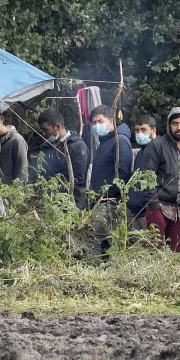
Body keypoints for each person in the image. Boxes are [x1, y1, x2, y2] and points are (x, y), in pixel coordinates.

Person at [142, 108, 180, 252]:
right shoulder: (156, 145)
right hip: (160, 206)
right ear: (169, 125)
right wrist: (154, 206)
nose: (179, 127)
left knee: (176, 253)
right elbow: (147, 176)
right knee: (153, 251)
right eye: (175, 123)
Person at [88, 105, 133, 259]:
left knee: (96, 240)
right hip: (99, 201)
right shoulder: (105, 141)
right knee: (99, 241)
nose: (96, 126)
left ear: (112, 121)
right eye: (93, 123)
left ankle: (95, 269)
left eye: (100, 121)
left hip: (110, 202)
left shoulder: (120, 141)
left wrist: (108, 195)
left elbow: (123, 174)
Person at [35, 108, 90, 208]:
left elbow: (79, 181)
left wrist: (74, 207)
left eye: (46, 130)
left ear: (57, 126)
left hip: (69, 204)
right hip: (52, 202)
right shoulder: (51, 145)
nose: (44, 134)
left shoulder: (77, 147)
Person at [127, 115, 158, 229]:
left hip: (147, 212)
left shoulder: (158, 151)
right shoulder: (141, 153)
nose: (140, 133)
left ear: (153, 130)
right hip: (135, 211)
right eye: (137, 130)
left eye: (144, 130)